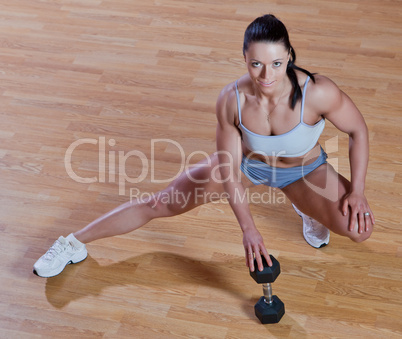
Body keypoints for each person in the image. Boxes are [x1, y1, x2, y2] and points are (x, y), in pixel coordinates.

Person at [33, 14, 375, 278]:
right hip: (247, 165)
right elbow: (229, 170)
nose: (266, 75)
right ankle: (72, 243)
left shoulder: (318, 91)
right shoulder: (231, 100)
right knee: (160, 203)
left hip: (305, 171)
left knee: (360, 229)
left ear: (288, 56)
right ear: (244, 58)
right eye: (256, 64)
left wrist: (357, 191)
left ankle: (306, 205)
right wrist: (249, 229)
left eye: (275, 63)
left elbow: (358, 131)